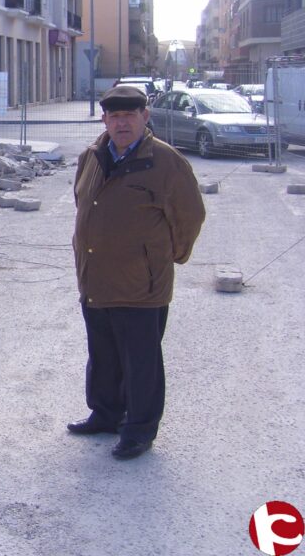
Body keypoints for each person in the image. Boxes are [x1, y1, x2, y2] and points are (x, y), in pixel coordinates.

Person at [69, 84, 205, 460]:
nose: (121, 122)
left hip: (141, 286)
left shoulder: (166, 162)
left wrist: (161, 259)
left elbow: (189, 217)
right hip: (96, 277)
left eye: (130, 115)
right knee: (103, 353)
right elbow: (83, 203)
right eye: (114, 116)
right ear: (104, 119)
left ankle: (140, 429)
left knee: (141, 360)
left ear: (145, 117)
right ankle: (106, 412)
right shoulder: (91, 157)